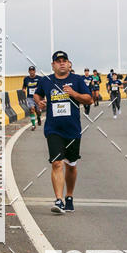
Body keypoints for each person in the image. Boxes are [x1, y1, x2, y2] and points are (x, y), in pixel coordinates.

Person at [33, 51, 92, 214]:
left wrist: (74, 94)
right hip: (53, 129)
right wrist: (40, 102)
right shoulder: (46, 81)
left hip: (72, 130)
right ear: (53, 65)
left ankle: (69, 196)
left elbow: (89, 99)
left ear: (69, 63)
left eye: (64, 61)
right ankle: (58, 200)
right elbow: (36, 94)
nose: (61, 63)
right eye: (58, 61)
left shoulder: (77, 80)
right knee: (57, 163)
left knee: (71, 165)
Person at [22, 65, 41, 130]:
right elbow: (24, 86)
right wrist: (24, 89)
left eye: (33, 71)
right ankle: (33, 125)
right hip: (30, 97)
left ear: (35, 71)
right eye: (30, 71)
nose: (32, 72)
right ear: (28, 71)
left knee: (38, 111)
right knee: (32, 109)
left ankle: (38, 117)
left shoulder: (39, 78)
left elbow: (42, 87)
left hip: (38, 97)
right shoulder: (26, 79)